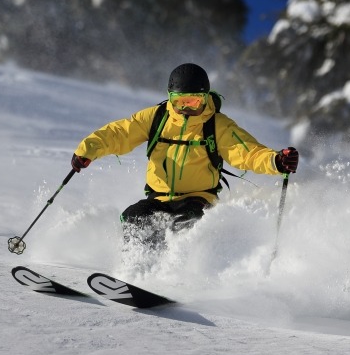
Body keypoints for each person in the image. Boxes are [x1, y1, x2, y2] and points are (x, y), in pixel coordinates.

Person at [70, 63, 298, 247]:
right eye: (179, 102)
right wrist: (87, 150)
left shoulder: (217, 125)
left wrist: (275, 160)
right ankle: (136, 269)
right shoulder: (157, 117)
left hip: (198, 198)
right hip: (158, 197)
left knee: (184, 224)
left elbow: (246, 152)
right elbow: (119, 133)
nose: (186, 108)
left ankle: (179, 276)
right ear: (170, 97)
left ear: (205, 97)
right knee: (134, 217)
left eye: (193, 101)